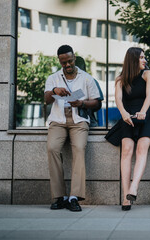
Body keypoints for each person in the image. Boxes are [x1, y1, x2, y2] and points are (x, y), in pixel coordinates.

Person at [105, 47, 150, 211]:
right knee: (126, 150)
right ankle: (125, 197)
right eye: (141, 57)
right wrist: (123, 113)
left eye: (144, 57)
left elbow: (149, 96)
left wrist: (143, 111)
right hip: (128, 117)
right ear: (133, 59)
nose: (145, 60)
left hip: (146, 114)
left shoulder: (147, 74)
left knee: (142, 149)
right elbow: (118, 99)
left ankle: (133, 188)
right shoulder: (120, 78)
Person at [44, 45, 101, 212]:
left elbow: (97, 102)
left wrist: (82, 103)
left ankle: (74, 197)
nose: (67, 65)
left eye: (69, 61)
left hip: (78, 120)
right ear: (59, 62)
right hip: (58, 120)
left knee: (79, 149)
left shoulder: (87, 78)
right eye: (63, 63)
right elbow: (47, 99)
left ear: (74, 58)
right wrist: (54, 90)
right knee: (52, 148)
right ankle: (59, 196)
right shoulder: (53, 78)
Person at [75, 56, 104, 127]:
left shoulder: (91, 81)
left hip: (88, 122)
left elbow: (98, 105)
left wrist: (84, 103)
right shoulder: (64, 82)